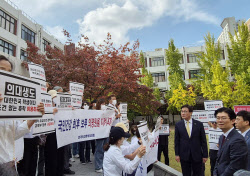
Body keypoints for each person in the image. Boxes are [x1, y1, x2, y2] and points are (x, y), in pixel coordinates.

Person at [0, 55, 45, 175]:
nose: (6, 74)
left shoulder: (12, 103)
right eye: (2, 70)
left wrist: (34, 117)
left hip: (8, 164)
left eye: (9, 71)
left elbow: (15, 134)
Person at [174, 105, 208, 176]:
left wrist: (205, 155)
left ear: (191, 113)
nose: (183, 113)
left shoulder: (199, 124)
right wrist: (177, 154)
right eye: (182, 111)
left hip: (197, 155)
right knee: (186, 173)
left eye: (185, 111)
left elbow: (203, 140)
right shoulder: (178, 125)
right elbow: (176, 141)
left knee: (198, 173)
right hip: (184, 155)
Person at [213, 107, 248, 176]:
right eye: (218, 118)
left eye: (223, 118)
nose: (220, 121)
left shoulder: (237, 139)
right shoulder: (222, 137)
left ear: (232, 121)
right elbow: (219, 160)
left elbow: (236, 164)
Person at [95, 98, 108, 173]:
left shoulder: (107, 112)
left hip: (106, 132)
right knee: (99, 149)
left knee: (105, 148)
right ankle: (98, 166)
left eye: (104, 104)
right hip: (99, 133)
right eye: (102, 104)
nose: (103, 105)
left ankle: (103, 164)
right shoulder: (96, 112)